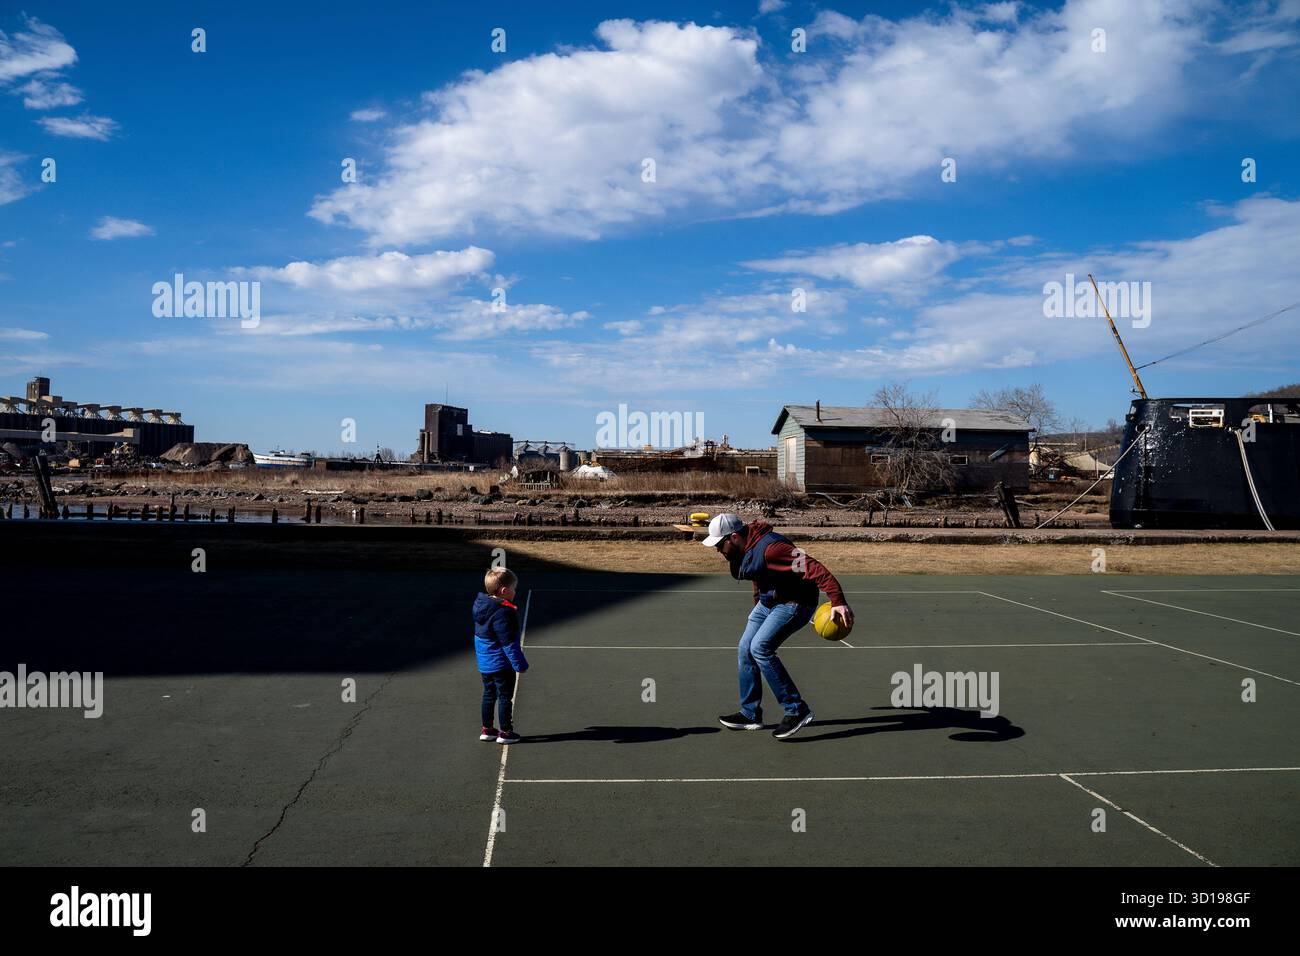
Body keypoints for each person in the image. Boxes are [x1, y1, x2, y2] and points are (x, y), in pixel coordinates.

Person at [703, 513, 854, 739]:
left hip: (795, 602)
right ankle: (750, 713)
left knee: (760, 648)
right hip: (769, 602)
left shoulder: (773, 548)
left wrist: (838, 601)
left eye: (719, 544)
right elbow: (756, 572)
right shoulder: (745, 549)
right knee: (745, 648)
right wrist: (758, 604)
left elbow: (813, 567)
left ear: (733, 537)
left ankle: (796, 710)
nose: (718, 550)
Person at [473, 567, 529, 744]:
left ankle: (487, 729)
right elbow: (509, 643)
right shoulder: (504, 613)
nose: (515, 591)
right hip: (501, 665)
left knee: (489, 695)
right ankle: (505, 732)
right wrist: (520, 664)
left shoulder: (482, 607)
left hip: (485, 664)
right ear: (504, 591)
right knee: (505, 697)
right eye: (514, 588)